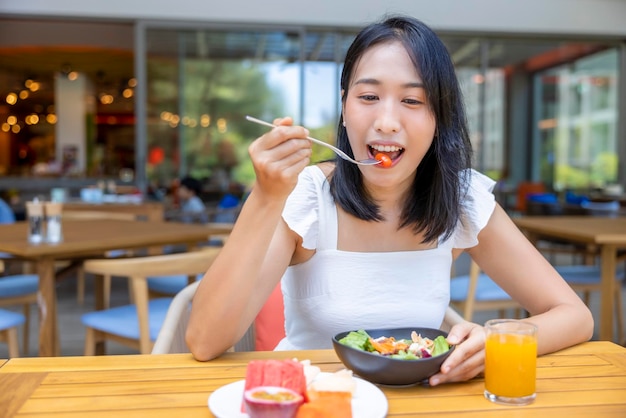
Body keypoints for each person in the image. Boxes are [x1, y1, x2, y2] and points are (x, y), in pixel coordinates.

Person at [186, 14, 593, 385]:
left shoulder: (461, 199)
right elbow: (204, 340)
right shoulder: (308, 196)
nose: (386, 121)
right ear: (345, 108)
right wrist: (265, 197)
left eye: (412, 101)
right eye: (368, 97)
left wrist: (493, 341)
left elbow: (574, 316)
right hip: (313, 401)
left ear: (439, 118)